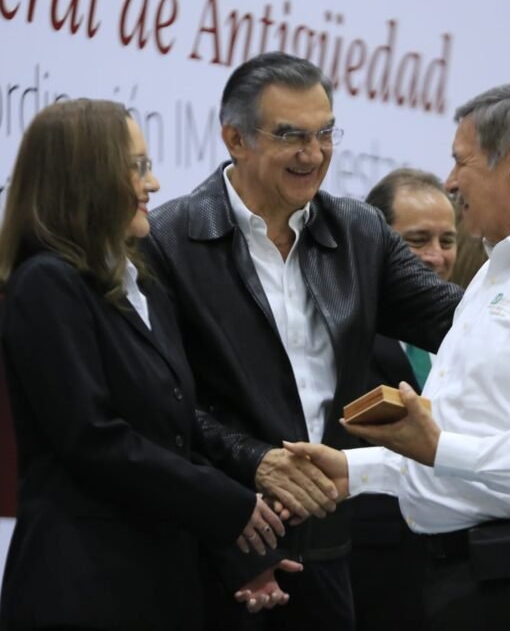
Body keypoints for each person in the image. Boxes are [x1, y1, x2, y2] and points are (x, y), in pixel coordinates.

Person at [292, 81, 510, 630]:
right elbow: (469, 434)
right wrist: (356, 471)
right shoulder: (499, 271)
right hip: (475, 578)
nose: (451, 182)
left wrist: (440, 448)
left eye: (461, 161)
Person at [144, 52, 463, 630]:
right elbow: (161, 403)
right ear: (235, 139)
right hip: (217, 541)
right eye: (291, 135)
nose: (313, 154)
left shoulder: (360, 231)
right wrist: (255, 462)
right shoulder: (169, 240)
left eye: (325, 134)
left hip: (327, 543)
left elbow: (457, 321)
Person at [0, 99, 288, 631]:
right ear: (87, 177)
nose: (154, 183)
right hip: (80, 589)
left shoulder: (144, 287)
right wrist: (226, 504)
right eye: (138, 167)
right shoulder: (47, 285)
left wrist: (242, 551)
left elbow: (175, 433)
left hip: (158, 584)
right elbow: (94, 439)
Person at [351, 168, 457, 631]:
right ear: (379, 244)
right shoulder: (348, 330)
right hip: (373, 569)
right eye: (417, 240)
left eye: (447, 240)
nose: (436, 256)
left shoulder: (461, 335)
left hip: (455, 569)